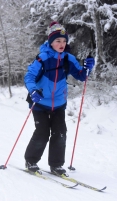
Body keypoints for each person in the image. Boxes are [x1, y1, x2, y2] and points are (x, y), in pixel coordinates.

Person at [24, 21, 95, 175]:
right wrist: (33, 91)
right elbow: (29, 77)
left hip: (59, 103)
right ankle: (31, 161)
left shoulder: (68, 58)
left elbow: (81, 76)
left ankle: (56, 165)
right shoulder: (42, 58)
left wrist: (88, 67)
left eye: (64, 41)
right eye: (58, 41)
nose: (62, 44)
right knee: (42, 132)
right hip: (40, 102)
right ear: (51, 42)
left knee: (60, 132)